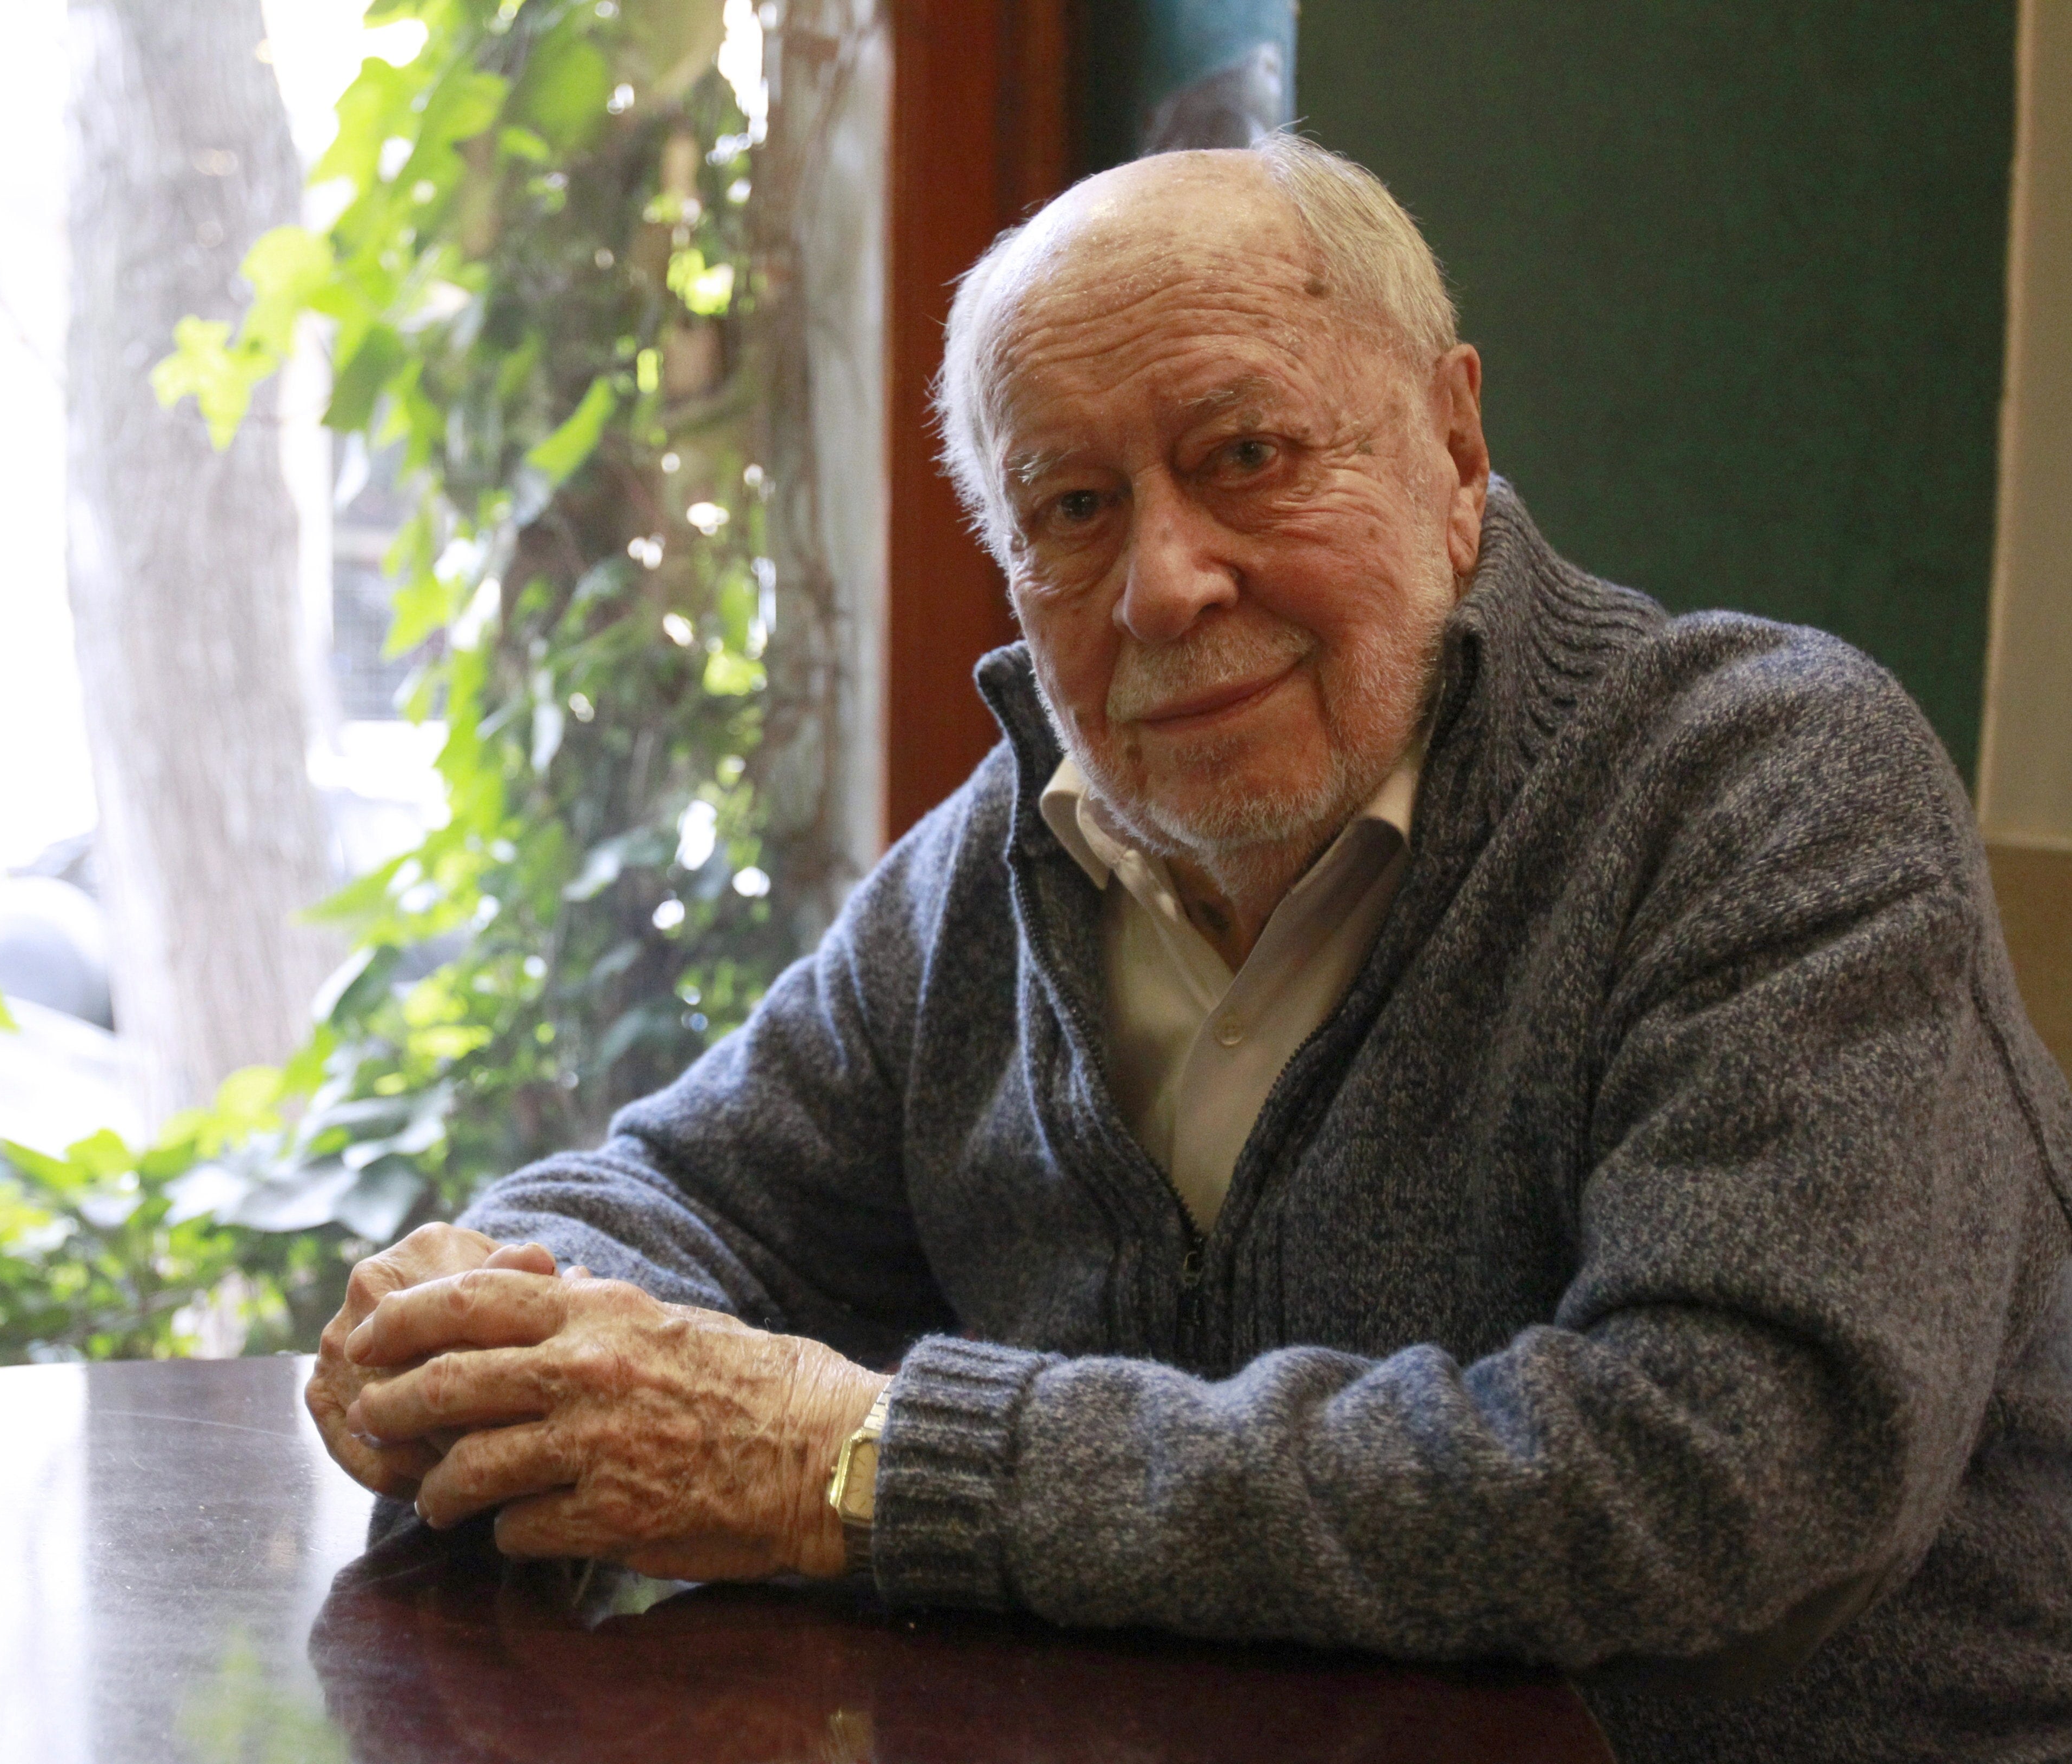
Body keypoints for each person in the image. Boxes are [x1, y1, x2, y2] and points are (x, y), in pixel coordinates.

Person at [306, 136, 2072, 1762]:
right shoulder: (995, 872)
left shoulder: (1762, 791)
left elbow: (1733, 1484)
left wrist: (868, 1465)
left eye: (1248, 457)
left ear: (1455, 451)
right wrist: (497, 1312)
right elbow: (688, 1190)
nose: (1166, 585)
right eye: (1071, 508)